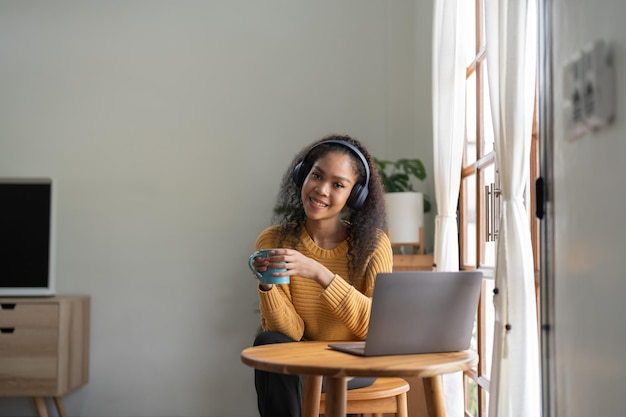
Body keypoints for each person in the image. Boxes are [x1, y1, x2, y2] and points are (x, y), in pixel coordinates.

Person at [249, 134, 393, 417]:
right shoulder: (274, 239)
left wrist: (319, 273)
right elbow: (290, 333)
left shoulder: (374, 244)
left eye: (338, 184)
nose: (322, 190)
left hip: (355, 364)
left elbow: (375, 329)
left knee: (281, 373)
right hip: (303, 361)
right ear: (303, 175)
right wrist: (268, 288)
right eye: (316, 175)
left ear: (354, 195)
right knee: (268, 344)